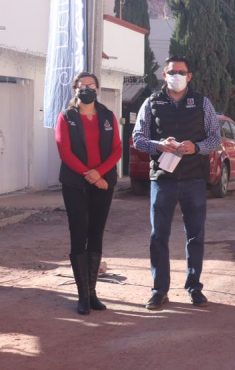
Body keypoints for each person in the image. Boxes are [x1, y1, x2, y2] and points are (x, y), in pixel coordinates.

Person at [132, 56, 221, 310]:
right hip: (163, 179)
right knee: (158, 235)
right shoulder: (151, 102)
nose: (177, 76)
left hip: (194, 178)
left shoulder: (202, 103)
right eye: (172, 72)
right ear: (164, 74)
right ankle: (159, 290)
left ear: (190, 76)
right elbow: (138, 138)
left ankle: (194, 287)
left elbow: (215, 138)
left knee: (195, 235)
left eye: (182, 72)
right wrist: (158, 145)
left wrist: (197, 147)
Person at [55, 71, 122, 315]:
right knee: (78, 232)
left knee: (96, 233)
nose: (86, 89)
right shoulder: (66, 116)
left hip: (103, 184)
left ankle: (93, 293)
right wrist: (90, 174)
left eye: (90, 85)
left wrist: (101, 174)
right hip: (76, 183)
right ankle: (82, 295)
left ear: (97, 88)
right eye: (81, 85)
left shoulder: (107, 115)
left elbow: (117, 149)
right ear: (75, 89)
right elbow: (65, 151)